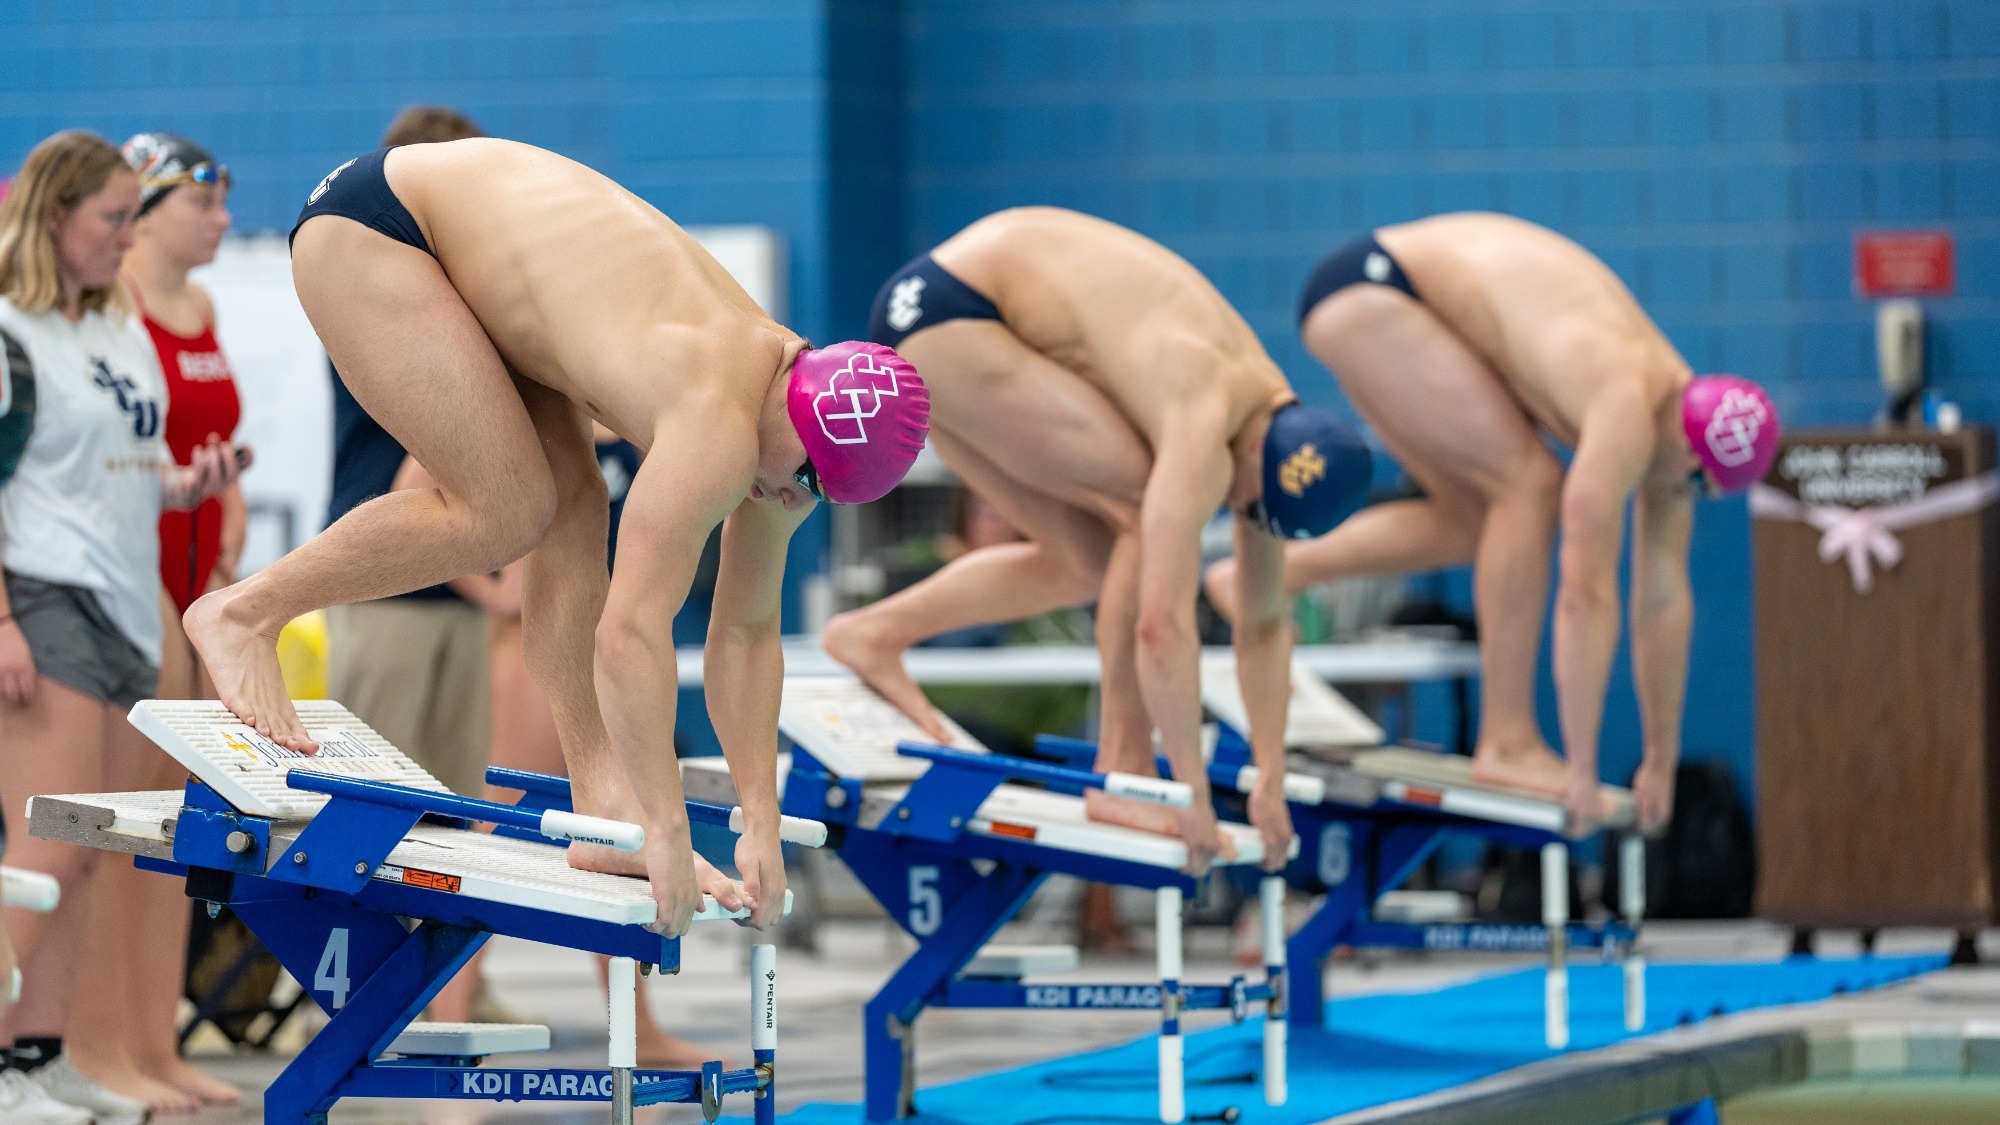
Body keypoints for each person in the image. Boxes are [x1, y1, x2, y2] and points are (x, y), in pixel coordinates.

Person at [183, 138, 928, 936]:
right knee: (503, 508)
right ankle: (244, 613)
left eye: (817, 495)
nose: (791, 498)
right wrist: (668, 830)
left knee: (573, 508)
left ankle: (597, 793)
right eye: (807, 480)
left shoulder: (786, 431)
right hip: (379, 227)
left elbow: (745, 632)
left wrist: (760, 816)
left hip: (473, 257)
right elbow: (630, 636)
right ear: (809, 417)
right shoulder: (717, 419)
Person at [826, 207, 1370, 873]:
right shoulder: (1205, 418)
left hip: (939, 316)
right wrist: (1189, 793)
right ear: (1260, 451)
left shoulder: (1266, 446)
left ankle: (874, 633)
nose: (1245, 514)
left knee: (1084, 561)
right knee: (1143, 510)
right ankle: (1124, 764)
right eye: (1252, 503)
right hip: (957, 312)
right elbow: (1160, 625)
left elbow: (1262, 623)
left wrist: (1272, 778)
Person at [1208, 212, 1779, 837]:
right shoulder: (1625, 405)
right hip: (1376, 288)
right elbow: (1585, 593)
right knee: (1529, 487)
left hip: (1374, 292)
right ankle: (1506, 737)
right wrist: (1581, 767)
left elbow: (1663, 600)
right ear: (1695, 449)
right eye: (1695, 482)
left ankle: (1264, 579)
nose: (1686, 496)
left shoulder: (1673, 437)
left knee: (1471, 522)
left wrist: (1661, 760)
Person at [0, 130, 241, 1124]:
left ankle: (43, 1057)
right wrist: (4, 621)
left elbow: (122, 472)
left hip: (123, 598)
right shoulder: (11, 329)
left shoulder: (116, 327)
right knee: (43, 847)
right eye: (112, 217)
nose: (124, 237)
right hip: (42, 595)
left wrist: (186, 485)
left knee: (93, 851)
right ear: (56, 216)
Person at [317, 106, 515, 1025]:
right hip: (389, 584)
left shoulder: (449, 293)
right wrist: (494, 580)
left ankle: (437, 993)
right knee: (369, 805)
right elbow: (417, 460)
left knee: (453, 812)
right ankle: (350, 983)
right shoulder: (378, 282)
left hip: (450, 596)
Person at [72, 128, 249, 1111]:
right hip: (132, 583)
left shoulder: (205, 306)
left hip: (195, 585)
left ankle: (150, 1041)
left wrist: (225, 556)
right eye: (204, 202)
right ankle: (95, 1045)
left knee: (173, 830)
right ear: (145, 207)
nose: (222, 219)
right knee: (121, 828)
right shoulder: (116, 310)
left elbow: (218, 446)